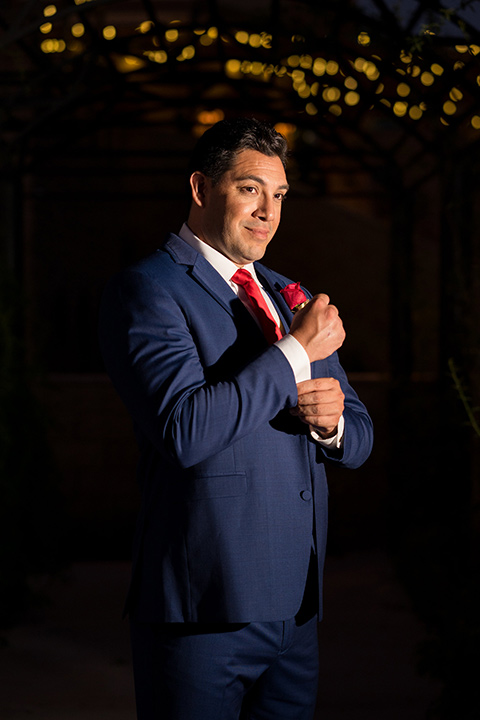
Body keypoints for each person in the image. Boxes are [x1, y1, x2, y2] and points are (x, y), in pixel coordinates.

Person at [99, 117, 373, 720]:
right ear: (201, 189)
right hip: (205, 608)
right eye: (250, 189)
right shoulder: (148, 289)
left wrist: (333, 424)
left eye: (278, 196)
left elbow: (360, 438)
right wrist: (295, 351)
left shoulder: (286, 295)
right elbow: (184, 429)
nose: (267, 212)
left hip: (297, 608)